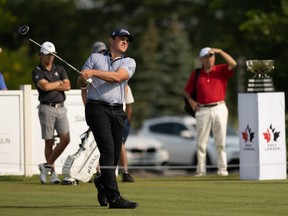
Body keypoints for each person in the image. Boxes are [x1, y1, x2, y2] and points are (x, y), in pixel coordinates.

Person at [79, 29, 138, 209]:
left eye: (127, 40)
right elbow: (80, 83)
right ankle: (114, 197)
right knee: (107, 149)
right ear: (111, 40)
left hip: (117, 110)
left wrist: (93, 73)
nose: (125, 42)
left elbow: (118, 77)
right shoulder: (94, 58)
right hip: (97, 108)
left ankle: (103, 182)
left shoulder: (129, 61)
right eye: (121, 38)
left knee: (113, 155)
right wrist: (83, 78)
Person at [184, 47, 237, 177]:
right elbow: (187, 90)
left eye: (212, 55)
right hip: (202, 109)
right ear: (201, 59)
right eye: (206, 56)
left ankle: (222, 170)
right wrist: (191, 101)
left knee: (220, 140)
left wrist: (220, 51)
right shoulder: (197, 73)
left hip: (219, 107)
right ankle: (201, 171)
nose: (210, 58)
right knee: (201, 142)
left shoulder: (221, 70)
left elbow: (233, 64)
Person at [32, 41, 71, 184]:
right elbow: (45, 87)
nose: (50, 57)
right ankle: (53, 172)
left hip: (61, 107)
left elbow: (67, 86)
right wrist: (58, 83)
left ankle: (46, 166)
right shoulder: (37, 70)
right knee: (49, 142)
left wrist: (56, 85)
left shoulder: (59, 69)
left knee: (66, 139)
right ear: (41, 56)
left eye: (53, 54)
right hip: (46, 108)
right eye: (48, 54)